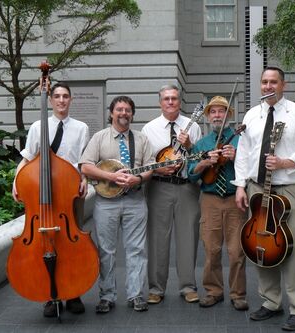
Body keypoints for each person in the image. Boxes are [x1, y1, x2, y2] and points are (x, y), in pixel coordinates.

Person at [233, 66, 295, 331]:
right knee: (261, 247)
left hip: (288, 189)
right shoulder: (252, 115)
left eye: (273, 82)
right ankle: (271, 302)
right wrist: (240, 186)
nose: (268, 86)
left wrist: (287, 161)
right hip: (257, 188)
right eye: (264, 82)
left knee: (291, 250)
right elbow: (243, 153)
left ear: (283, 85)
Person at [12, 81, 90, 317]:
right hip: (42, 194)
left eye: (65, 96)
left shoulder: (81, 127)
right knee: (43, 240)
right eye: (56, 96)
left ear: (71, 100)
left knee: (72, 243)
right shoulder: (38, 126)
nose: (61, 100)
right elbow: (27, 158)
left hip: (71, 191)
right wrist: (16, 181)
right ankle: (48, 295)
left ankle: (73, 292)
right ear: (50, 99)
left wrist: (85, 178)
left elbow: (84, 159)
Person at [79, 95, 154, 313]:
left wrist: (137, 179)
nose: (123, 113)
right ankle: (107, 296)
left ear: (132, 114)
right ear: (111, 113)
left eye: (127, 110)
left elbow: (150, 167)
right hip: (106, 202)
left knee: (136, 250)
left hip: (135, 201)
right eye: (119, 109)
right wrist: (111, 177)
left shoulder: (141, 139)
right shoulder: (99, 138)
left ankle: (136, 295)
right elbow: (85, 166)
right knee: (106, 251)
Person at [141, 84, 202, 304]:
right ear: (160, 102)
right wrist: (157, 168)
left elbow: (199, 158)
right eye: (166, 98)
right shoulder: (149, 128)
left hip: (187, 187)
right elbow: (145, 160)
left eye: (174, 98)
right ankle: (156, 288)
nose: (170, 102)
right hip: (159, 186)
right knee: (157, 237)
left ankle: (188, 286)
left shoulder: (192, 126)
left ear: (179, 101)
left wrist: (190, 145)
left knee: (188, 236)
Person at [187, 96, 248, 310]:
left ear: (228, 115)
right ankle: (213, 291)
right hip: (210, 199)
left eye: (221, 111)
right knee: (211, 249)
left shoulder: (240, 139)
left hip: (235, 199)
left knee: (236, 250)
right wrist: (205, 162)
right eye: (213, 112)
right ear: (208, 117)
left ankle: (238, 294)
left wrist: (237, 156)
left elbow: (251, 168)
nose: (217, 115)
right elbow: (191, 174)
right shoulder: (202, 143)